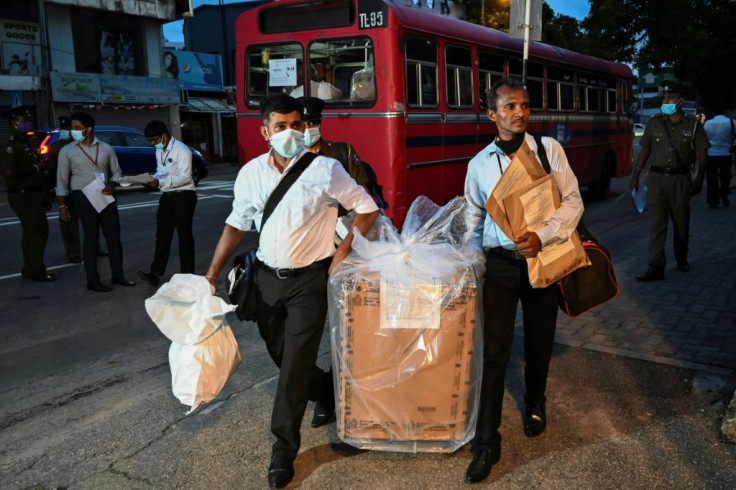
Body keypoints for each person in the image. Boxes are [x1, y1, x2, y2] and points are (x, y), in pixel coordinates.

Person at [204, 95, 378, 489]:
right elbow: (236, 224)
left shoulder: (326, 169)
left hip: (309, 282)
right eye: (280, 126)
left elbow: (366, 209)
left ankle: (283, 450)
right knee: (283, 357)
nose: (290, 133)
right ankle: (327, 392)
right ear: (264, 131)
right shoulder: (250, 174)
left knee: (295, 361)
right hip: (266, 280)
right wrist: (212, 272)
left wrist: (344, 252)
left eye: (296, 125)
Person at [463, 78, 583, 484]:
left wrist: (543, 236)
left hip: (540, 261)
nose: (520, 113)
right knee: (494, 353)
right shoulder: (478, 165)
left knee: (538, 343)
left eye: (525, 106)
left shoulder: (548, 151)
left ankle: (535, 400)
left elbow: (573, 200)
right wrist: (471, 264)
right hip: (498, 266)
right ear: (492, 113)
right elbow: (473, 219)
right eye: (510, 106)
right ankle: (486, 441)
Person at [630, 81, 709, 281]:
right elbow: (645, 149)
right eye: (664, 98)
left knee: (681, 223)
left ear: (680, 101)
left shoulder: (692, 125)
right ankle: (655, 266)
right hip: (656, 180)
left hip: (680, 180)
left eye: (670, 98)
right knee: (657, 224)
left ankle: (681, 259)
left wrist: (699, 179)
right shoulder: (655, 122)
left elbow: (702, 153)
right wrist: (636, 175)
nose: (666, 102)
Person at [56, 112, 136, 292]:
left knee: (113, 237)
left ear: (88, 129)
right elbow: (61, 180)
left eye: (77, 128)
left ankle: (118, 275)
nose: (73, 131)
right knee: (90, 239)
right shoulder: (67, 151)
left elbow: (117, 172)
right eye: (72, 128)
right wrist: (62, 205)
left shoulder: (106, 148)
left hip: (105, 194)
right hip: (82, 196)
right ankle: (92, 280)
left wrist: (113, 184)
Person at [137, 120, 197, 287]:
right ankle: (155, 273)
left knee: (184, 237)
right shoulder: (160, 151)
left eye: (155, 139)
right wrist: (152, 178)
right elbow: (161, 171)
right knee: (162, 235)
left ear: (165, 135)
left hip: (184, 196)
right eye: (150, 140)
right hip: (167, 197)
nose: (153, 143)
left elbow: (185, 177)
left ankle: (188, 275)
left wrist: (160, 183)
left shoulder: (182, 150)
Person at [0, 106, 56, 282]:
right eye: (24, 121)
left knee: (31, 232)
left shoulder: (24, 144)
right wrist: (37, 167)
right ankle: (36, 269)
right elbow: (9, 172)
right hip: (24, 195)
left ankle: (31, 268)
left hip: (33, 194)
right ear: (14, 123)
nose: (27, 124)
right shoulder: (10, 146)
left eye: (28, 120)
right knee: (37, 231)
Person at [47, 116, 82, 263]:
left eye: (68, 129)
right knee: (68, 222)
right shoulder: (56, 147)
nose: (66, 131)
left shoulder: (81, 145)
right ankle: (73, 251)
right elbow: (51, 169)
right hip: (66, 189)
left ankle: (94, 247)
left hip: (83, 187)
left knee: (91, 220)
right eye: (65, 129)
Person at [703, 108, 734, 208]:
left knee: (712, 177)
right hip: (726, 153)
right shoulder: (732, 122)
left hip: (711, 153)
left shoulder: (708, 123)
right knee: (726, 175)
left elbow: (704, 138)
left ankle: (713, 201)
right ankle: (724, 190)